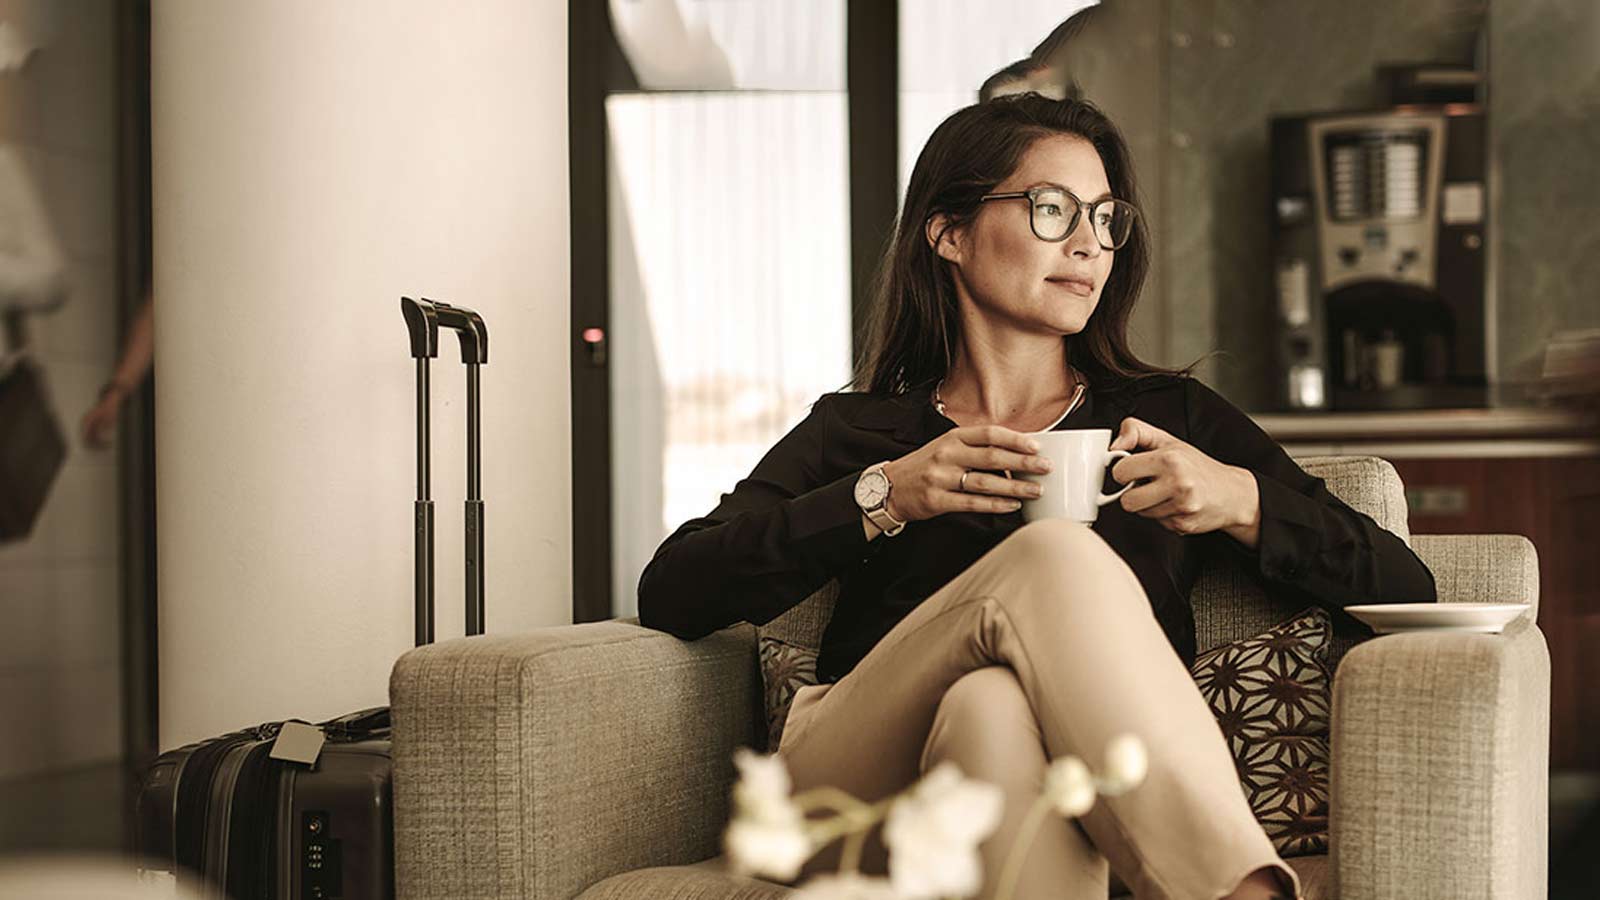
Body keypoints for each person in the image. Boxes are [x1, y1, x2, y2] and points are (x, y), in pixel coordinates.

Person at [637, 94, 1435, 900]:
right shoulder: (861, 432)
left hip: (1043, 795)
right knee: (1054, 552)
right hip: (851, 784)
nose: (1090, 244)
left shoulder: (1168, 419)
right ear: (948, 233)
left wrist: (1239, 499)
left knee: (992, 705)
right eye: (1053, 210)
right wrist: (885, 496)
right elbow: (673, 589)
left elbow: (1408, 587)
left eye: (1104, 218)